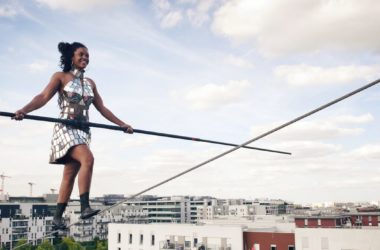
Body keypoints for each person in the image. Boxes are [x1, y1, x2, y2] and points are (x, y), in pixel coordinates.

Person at [13, 42, 133, 230]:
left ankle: (57, 218)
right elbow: (43, 97)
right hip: (66, 127)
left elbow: (102, 108)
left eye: (87, 56)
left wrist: (122, 124)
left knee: (69, 174)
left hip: (83, 131)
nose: (85, 58)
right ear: (72, 57)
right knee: (88, 159)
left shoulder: (90, 83)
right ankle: (85, 206)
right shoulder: (60, 77)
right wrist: (24, 110)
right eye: (81, 54)